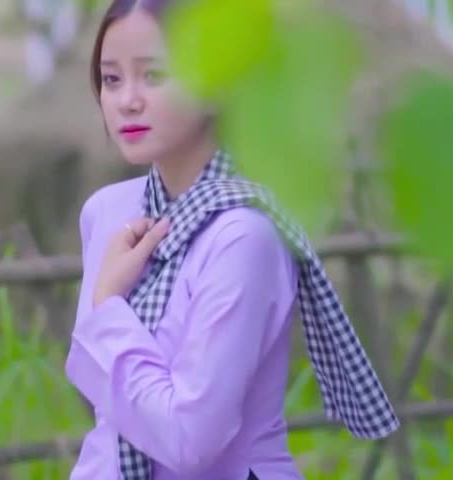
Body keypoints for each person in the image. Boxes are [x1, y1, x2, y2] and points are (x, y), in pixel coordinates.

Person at [63, 1, 400, 478]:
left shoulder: (245, 235)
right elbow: (102, 397)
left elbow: (190, 440)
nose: (127, 101)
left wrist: (107, 305)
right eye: (111, 79)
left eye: (154, 75)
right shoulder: (107, 212)